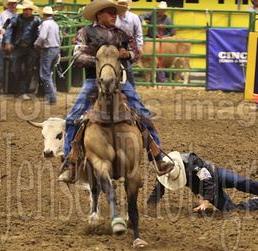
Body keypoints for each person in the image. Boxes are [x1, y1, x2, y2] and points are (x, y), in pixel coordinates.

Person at [58, 0, 173, 183]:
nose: (114, 15)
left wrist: (128, 55)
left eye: (115, 12)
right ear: (99, 14)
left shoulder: (123, 35)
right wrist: (101, 59)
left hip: (121, 82)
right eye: (110, 12)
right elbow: (77, 55)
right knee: (73, 118)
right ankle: (70, 162)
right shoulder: (85, 32)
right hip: (93, 81)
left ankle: (157, 156)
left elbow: (135, 53)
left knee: (143, 114)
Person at [148, 152, 258, 214]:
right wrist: (149, 208)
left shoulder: (192, 161)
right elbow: (157, 191)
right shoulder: (164, 172)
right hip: (203, 185)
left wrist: (205, 201)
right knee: (230, 210)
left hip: (215, 174)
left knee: (242, 182)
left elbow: (207, 180)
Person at [3, 1, 41, 100]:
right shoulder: (16, 18)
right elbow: (9, 30)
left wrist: (38, 45)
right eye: (24, 10)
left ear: (31, 10)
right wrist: (7, 42)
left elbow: (39, 34)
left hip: (30, 48)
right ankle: (21, 89)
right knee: (16, 69)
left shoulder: (37, 20)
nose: (25, 12)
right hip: (18, 47)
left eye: (27, 10)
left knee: (28, 70)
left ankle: (23, 91)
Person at [34, 6, 60, 105]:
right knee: (49, 74)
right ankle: (51, 96)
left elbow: (42, 37)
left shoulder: (45, 23)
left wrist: (36, 44)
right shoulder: (55, 24)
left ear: (44, 15)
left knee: (45, 75)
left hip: (48, 50)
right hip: (56, 50)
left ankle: (51, 98)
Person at [115, 0, 143, 87]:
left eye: (123, 4)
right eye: (120, 4)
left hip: (129, 45)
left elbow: (138, 33)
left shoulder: (134, 17)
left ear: (127, 6)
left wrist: (139, 47)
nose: (122, 6)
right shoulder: (114, 17)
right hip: (115, 45)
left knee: (128, 68)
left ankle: (131, 86)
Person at [0, 0, 18, 93]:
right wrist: (1, 41)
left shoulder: (18, 15)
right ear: (8, 5)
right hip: (6, 42)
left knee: (13, 65)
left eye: (15, 3)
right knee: (3, 66)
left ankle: (11, 87)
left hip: (14, 43)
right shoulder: (3, 15)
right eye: (11, 4)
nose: (13, 5)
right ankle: (2, 87)